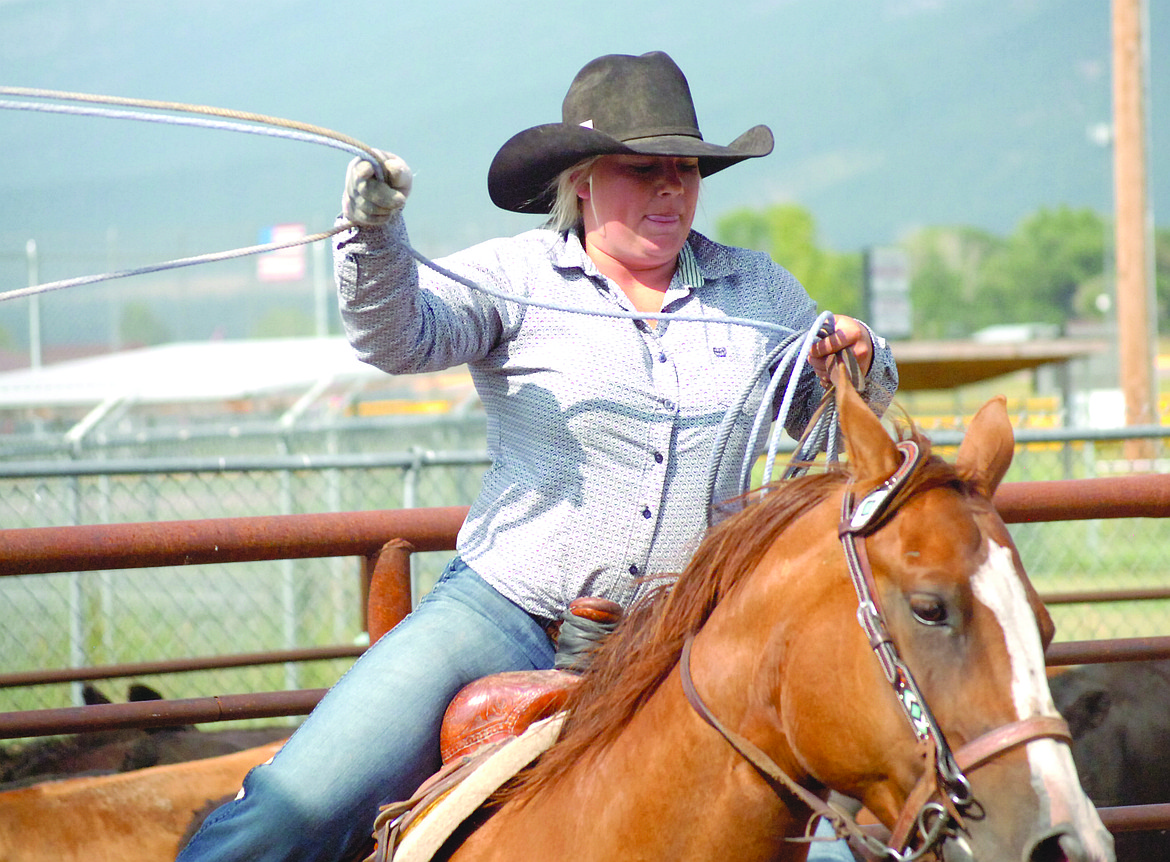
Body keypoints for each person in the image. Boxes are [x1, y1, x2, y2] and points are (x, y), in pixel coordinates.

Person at [177, 50, 897, 862]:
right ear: (583, 179)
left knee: (839, 850)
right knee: (290, 811)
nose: (672, 187)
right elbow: (399, 334)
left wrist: (862, 361)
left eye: (687, 169)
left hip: (691, 638)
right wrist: (374, 235)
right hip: (506, 613)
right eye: (643, 168)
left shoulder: (756, 290)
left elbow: (828, 420)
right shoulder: (515, 276)